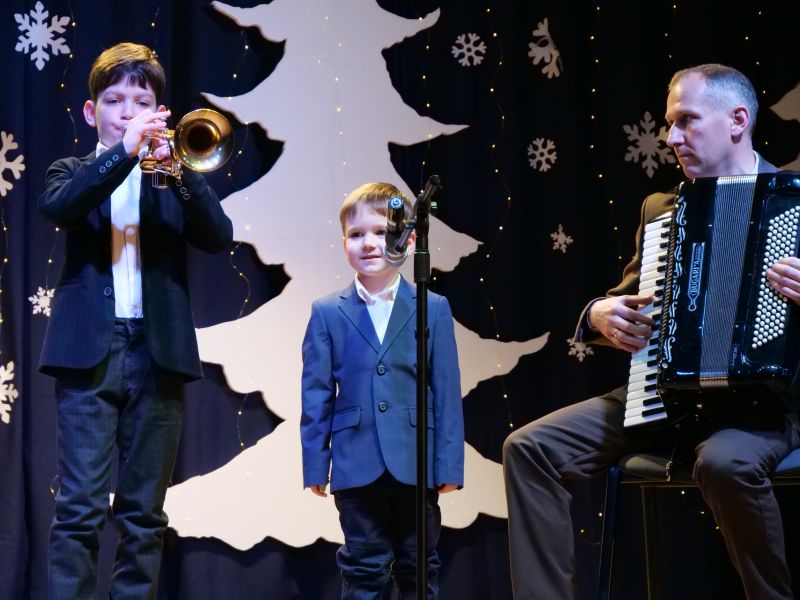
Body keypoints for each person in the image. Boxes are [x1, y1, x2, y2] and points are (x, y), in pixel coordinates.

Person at [503, 64, 800, 600]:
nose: (671, 138)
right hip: (662, 397)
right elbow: (626, 297)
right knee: (529, 448)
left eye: (687, 120)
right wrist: (598, 313)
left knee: (724, 462)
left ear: (738, 120)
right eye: (669, 124)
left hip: (765, 409)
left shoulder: (795, 201)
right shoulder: (663, 210)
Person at [39, 42, 233, 600]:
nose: (128, 111)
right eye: (115, 100)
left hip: (158, 353)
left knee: (145, 514)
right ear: (91, 110)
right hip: (89, 355)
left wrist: (180, 169)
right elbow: (60, 207)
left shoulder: (170, 177)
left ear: (159, 111)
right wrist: (123, 153)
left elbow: (218, 236)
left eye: (141, 101)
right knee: (79, 510)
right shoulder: (71, 171)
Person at [300, 182, 464, 599]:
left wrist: (448, 465)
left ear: (408, 239)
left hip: (416, 462)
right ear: (344, 243)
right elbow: (316, 394)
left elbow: (446, 392)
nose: (369, 243)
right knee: (363, 567)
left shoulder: (433, 307)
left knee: (418, 565)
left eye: (380, 231)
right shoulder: (326, 312)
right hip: (355, 464)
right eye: (356, 234)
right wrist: (316, 464)